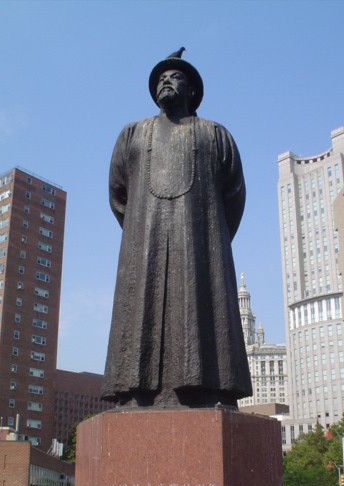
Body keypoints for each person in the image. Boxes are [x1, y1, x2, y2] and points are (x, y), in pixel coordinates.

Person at [102, 49, 252, 409]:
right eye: (160, 79)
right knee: (140, 305)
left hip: (200, 241)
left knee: (202, 307)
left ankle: (206, 389)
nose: (165, 82)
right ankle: (136, 392)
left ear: (192, 91)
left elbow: (234, 194)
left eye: (175, 77)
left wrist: (209, 238)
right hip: (144, 240)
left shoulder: (215, 135)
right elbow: (118, 193)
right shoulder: (132, 134)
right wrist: (140, 229)